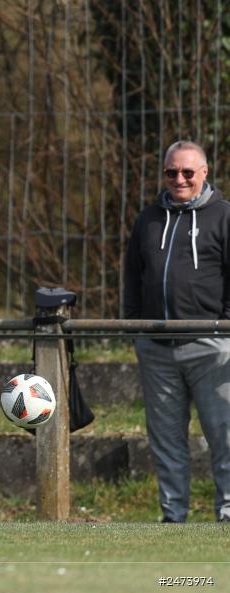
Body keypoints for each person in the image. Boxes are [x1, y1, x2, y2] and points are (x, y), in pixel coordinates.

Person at [124, 140, 230, 523]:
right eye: (172, 172)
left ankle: (227, 513)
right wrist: (134, 325)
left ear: (204, 172)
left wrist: (224, 329)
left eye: (188, 172)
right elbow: (133, 276)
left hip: (212, 347)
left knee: (225, 435)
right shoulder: (148, 219)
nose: (180, 179)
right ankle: (173, 517)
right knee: (166, 440)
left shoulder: (224, 216)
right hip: (156, 349)